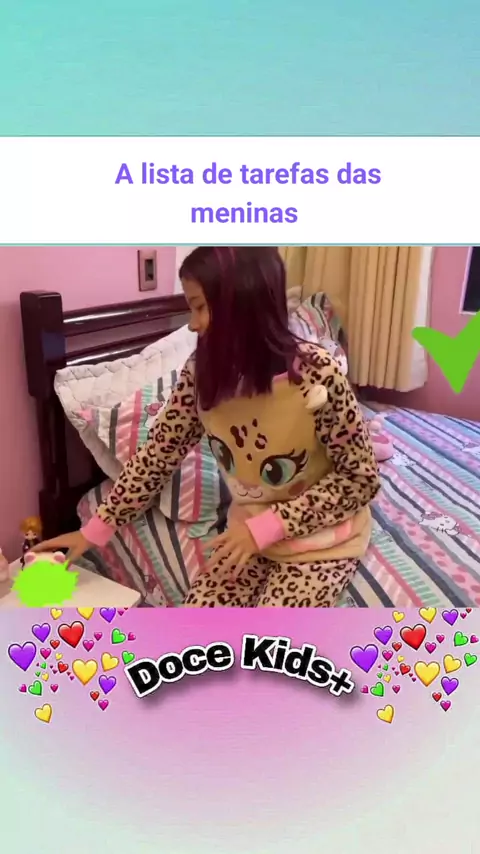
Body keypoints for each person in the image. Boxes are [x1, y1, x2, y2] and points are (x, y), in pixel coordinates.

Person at [33, 247, 381, 607]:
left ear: (243, 304)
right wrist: (93, 530)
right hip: (243, 538)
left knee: (272, 640)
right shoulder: (203, 374)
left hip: (319, 543)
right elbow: (157, 456)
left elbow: (360, 479)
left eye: (200, 307)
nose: (193, 324)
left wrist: (266, 528)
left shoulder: (317, 374)